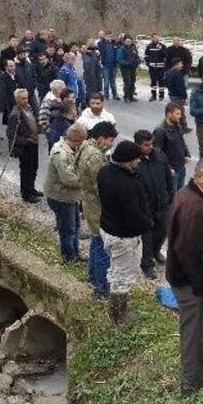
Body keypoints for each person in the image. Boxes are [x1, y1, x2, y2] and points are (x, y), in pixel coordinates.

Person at [166, 157, 203, 397]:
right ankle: (192, 390)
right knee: (194, 339)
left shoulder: (192, 195)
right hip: (190, 283)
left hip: (188, 280)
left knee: (198, 335)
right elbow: (189, 251)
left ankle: (198, 384)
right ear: (201, 177)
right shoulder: (193, 206)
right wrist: (202, 288)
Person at [98, 140, 154, 325]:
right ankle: (118, 316)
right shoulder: (126, 184)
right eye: (137, 158)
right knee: (122, 275)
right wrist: (148, 224)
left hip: (108, 228)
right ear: (128, 160)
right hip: (124, 236)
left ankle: (115, 309)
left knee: (114, 269)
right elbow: (134, 215)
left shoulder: (104, 172)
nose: (139, 161)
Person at [79, 121, 119, 299]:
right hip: (97, 206)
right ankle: (101, 287)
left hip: (89, 203)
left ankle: (94, 278)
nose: (111, 145)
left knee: (96, 243)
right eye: (110, 140)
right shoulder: (95, 156)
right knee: (103, 247)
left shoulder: (85, 146)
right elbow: (100, 186)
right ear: (102, 138)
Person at [134, 130, 175, 280]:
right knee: (147, 237)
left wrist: (171, 195)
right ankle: (147, 264)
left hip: (162, 203)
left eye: (152, 143)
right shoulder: (133, 161)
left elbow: (168, 177)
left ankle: (156, 251)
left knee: (162, 231)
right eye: (147, 145)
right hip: (145, 207)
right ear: (138, 145)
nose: (150, 147)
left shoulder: (159, 155)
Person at [45, 122, 86, 262]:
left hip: (70, 197)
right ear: (76, 140)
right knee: (67, 230)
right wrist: (87, 180)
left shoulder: (71, 149)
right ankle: (69, 257)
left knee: (75, 226)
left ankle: (75, 253)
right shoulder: (60, 153)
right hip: (61, 197)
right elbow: (68, 179)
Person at [6, 88, 41, 204]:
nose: (26, 100)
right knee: (26, 170)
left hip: (33, 143)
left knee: (34, 167)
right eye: (23, 98)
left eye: (27, 98)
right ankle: (26, 193)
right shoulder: (15, 114)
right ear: (17, 99)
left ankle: (32, 188)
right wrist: (26, 141)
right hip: (26, 146)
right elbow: (11, 134)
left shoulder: (29, 108)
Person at [153, 102, 191, 191]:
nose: (180, 116)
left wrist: (187, 154)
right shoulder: (160, 130)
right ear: (169, 114)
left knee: (180, 192)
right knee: (172, 196)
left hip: (181, 166)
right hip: (171, 170)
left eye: (180, 114)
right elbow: (157, 153)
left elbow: (182, 142)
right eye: (177, 114)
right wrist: (168, 168)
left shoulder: (177, 126)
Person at [164, 58, 190, 132]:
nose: (182, 65)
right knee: (180, 112)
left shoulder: (168, 73)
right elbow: (181, 87)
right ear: (176, 64)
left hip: (172, 95)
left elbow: (166, 84)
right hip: (178, 97)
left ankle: (179, 126)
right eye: (180, 64)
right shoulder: (177, 74)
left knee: (176, 111)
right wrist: (184, 97)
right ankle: (183, 127)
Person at [98, 30, 120, 101]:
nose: (109, 38)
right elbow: (98, 47)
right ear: (105, 36)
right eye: (107, 36)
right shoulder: (101, 44)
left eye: (110, 36)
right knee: (106, 81)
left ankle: (115, 94)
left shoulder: (114, 44)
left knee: (113, 81)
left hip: (113, 65)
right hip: (105, 65)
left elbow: (118, 51)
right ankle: (106, 95)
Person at [117, 35, 140, 102]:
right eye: (127, 41)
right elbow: (119, 59)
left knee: (133, 81)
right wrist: (128, 63)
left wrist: (137, 61)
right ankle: (126, 96)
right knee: (127, 82)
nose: (129, 42)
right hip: (125, 68)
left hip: (133, 68)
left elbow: (136, 56)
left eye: (130, 41)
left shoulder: (133, 47)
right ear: (124, 41)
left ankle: (131, 96)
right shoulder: (121, 48)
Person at [145, 34, 167, 102]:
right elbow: (146, 56)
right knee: (153, 81)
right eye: (154, 38)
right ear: (152, 38)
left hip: (160, 67)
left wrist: (160, 48)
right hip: (152, 68)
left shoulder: (162, 46)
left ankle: (161, 95)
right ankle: (153, 96)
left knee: (161, 82)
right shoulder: (149, 46)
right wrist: (148, 64)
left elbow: (165, 55)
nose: (156, 39)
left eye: (157, 37)